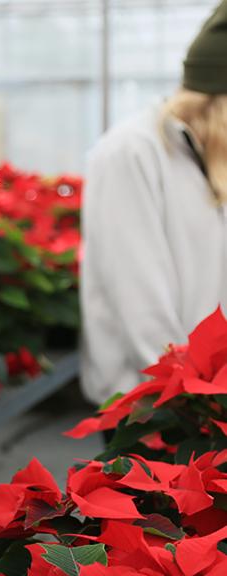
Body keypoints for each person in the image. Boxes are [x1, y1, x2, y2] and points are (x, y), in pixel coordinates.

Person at [80, 0, 227, 406]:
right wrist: (195, 399)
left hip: (200, 395)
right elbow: (140, 302)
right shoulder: (132, 153)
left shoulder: (199, 156)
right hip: (152, 407)